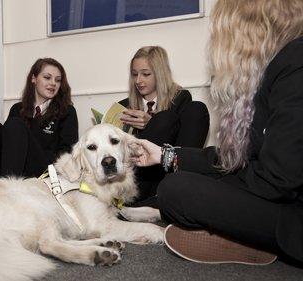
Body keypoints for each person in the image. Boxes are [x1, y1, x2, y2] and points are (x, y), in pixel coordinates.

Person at [130, 0, 303, 266]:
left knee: (178, 190)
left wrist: (221, 185)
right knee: (183, 186)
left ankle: (242, 238)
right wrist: (166, 155)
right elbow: (240, 159)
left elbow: (278, 177)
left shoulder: (295, 62)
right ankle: (237, 236)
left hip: (293, 215)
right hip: (279, 192)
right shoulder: (278, 68)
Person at [119, 46, 209, 204]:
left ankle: (177, 190)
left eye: (146, 74)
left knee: (194, 109)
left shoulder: (180, 99)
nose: (138, 80)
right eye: (134, 74)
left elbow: (183, 139)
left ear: (159, 73)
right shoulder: (124, 107)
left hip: (169, 173)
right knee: (163, 119)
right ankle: (153, 198)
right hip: (139, 177)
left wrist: (151, 123)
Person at [0, 58, 78, 178]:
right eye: (47, 77)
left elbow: (67, 153)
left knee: (15, 125)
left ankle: (9, 189)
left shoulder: (67, 111)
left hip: (44, 169)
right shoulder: (17, 109)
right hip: (13, 166)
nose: (53, 83)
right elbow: (7, 146)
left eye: (58, 80)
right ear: (33, 78)